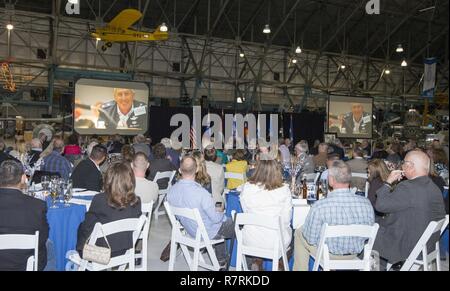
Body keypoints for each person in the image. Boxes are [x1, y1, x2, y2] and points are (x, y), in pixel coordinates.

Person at [293, 160, 374, 271]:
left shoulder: (320, 206)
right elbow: (366, 235)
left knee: (299, 233)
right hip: (354, 254)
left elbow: (310, 239)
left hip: (329, 254)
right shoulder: (366, 203)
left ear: (331, 180)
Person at [373, 150, 446, 267]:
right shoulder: (434, 187)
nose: (402, 166)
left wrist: (388, 182)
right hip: (427, 245)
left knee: (370, 232)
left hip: (407, 245)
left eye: (403, 163)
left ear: (410, 166)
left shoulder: (407, 187)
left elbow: (380, 205)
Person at [167, 156, 233, 268]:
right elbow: (217, 220)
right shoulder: (201, 193)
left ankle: (221, 259)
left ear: (179, 170)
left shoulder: (171, 192)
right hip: (207, 231)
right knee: (236, 224)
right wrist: (221, 212)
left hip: (190, 231)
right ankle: (250, 261)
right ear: (197, 169)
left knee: (218, 222)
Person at [76, 162, 142, 258]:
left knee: (80, 227)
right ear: (131, 180)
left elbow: (87, 228)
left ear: (108, 179)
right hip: (125, 249)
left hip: (100, 253)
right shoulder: (137, 201)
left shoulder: (99, 199)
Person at [240, 158, 293, 269]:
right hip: (274, 241)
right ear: (277, 171)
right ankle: (280, 265)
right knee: (293, 234)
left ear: (258, 169)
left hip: (250, 239)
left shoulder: (247, 187)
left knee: (260, 230)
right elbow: (286, 220)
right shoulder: (284, 190)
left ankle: (257, 262)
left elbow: (246, 212)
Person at [0, 159, 49, 271]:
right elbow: (42, 238)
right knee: (50, 246)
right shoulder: (37, 205)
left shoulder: (38, 205)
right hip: (26, 264)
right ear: (23, 178)